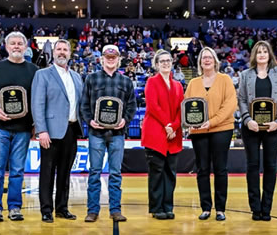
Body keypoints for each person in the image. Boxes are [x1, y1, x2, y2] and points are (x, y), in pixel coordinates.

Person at [0, 31, 38, 222]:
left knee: (17, 170)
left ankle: (14, 207)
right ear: (6, 47)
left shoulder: (33, 70)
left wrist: (34, 124)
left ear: (25, 46)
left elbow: (37, 99)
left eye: (19, 44)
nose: (16, 46)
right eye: (12, 43)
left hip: (22, 128)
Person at [80, 44, 137, 223]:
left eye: (114, 57)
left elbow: (132, 106)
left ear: (119, 59)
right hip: (96, 133)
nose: (110, 59)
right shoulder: (91, 78)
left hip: (118, 133)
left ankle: (115, 210)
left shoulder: (126, 81)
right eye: (107, 56)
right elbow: (83, 105)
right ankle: (92, 211)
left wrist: (125, 120)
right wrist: (89, 121)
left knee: (115, 173)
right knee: (94, 172)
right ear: (101, 58)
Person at [31, 39, 84, 223]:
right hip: (50, 132)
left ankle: (62, 208)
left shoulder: (77, 77)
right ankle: (46, 210)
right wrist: (41, 130)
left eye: (65, 50)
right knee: (47, 172)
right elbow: (37, 104)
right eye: (59, 49)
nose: (62, 52)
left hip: (71, 130)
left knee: (65, 172)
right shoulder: (43, 74)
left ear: (70, 53)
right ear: (53, 53)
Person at [185, 47, 237, 221]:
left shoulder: (225, 80)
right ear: (200, 62)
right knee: (202, 169)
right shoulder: (193, 83)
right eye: (203, 58)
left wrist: (212, 122)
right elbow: (187, 106)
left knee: (220, 169)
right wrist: (190, 123)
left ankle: (220, 209)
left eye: (209, 57)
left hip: (222, 129)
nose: (206, 60)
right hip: (199, 131)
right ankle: (206, 207)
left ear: (215, 61)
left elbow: (230, 105)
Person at [238, 40, 277, 222]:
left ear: (270, 54)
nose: (262, 54)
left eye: (265, 51)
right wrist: (247, 119)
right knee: (252, 166)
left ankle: (267, 208)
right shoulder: (245, 75)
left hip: (273, 127)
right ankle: (255, 208)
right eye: (258, 52)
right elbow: (242, 99)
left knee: (270, 166)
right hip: (251, 127)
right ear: (254, 55)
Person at [141, 50, 184, 220]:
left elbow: (182, 109)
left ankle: (168, 206)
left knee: (170, 173)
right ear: (156, 64)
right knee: (157, 173)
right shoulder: (151, 82)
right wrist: (168, 125)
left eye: (168, 60)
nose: (166, 63)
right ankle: (157, 207)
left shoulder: (178, 85)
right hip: (156, 134)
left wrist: (173, 126)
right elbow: (153, 106)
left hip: (173, 134)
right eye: (162, 61)